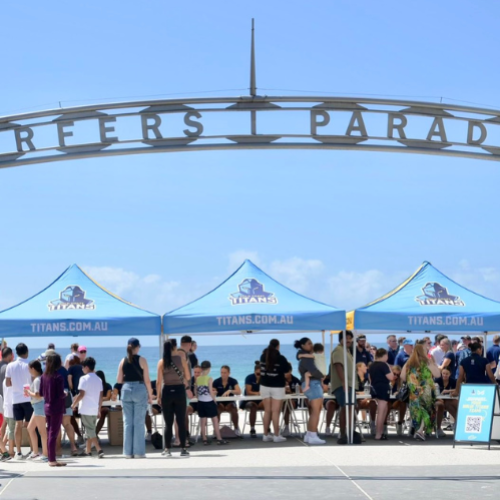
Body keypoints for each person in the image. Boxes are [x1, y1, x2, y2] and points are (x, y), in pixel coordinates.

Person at [117, 338, 153, 459]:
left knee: (127, 422)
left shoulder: (123, 360)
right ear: (138, 347)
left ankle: (127, 452)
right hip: (139, 388)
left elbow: (118, 380)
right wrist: (150, 394)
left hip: (126, 389)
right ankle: (139, 452)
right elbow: (147, 380)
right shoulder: (142, 359)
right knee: (138, 422)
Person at [156, 339, 190, 458]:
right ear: (175, 347)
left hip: (167, 392)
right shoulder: (182, 360)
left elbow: (159, 382)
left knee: (168, 423)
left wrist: (158, 396)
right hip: (180, 391)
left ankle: (167, 449)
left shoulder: (161, 362)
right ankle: (183, 448)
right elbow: (188, 376)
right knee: (181, 421)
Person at [401, 344, 441, 441]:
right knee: (426, 409)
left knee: (416, 411)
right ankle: (420, 431)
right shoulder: (427, 362)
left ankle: (419, 430)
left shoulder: (409, 363)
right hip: (426, 391)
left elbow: (402, 377)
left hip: (414, 391)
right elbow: (438, 374)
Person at [331, 331, 361, 445]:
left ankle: (349, 432)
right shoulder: (338, 350)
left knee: (350, 408)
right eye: (346, 338)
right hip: (343, 385)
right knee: (345, 408)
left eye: (350, 338)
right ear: (340, 339)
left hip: (350, 384)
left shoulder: (347, 351)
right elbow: (338, 366)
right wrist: (343, 382)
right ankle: (343, 434)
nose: (348, 340)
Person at [71, 357, 104, 458]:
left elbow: (81, 394)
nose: (82, 369)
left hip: (86, 408)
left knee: (89, 430)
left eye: (83, 367)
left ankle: (99, 449)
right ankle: (88, 450)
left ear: (86, 367)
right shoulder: (98, 379)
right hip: (94, 408)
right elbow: (100, 396)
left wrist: (73, 404)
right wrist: (99, 409)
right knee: (91, 430)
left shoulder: (83, 378)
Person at [295, 337, 325, 445]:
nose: (311, 345)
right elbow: (314, 371)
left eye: (311, 343)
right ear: (303, 346)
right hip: (313, 384)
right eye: (309, 343)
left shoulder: (305, 357)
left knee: (314, 410)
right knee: (316, 411)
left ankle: (309, 434)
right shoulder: (308, 358)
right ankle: (313, 434)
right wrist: (323, 376)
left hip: (310, 383)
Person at [6, 343, 33, 459]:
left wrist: (16, 385)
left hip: (15, 398)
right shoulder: (30, 365)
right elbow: (34, 381)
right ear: (26, 352)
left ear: (15, 353)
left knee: (18, 424)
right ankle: (33, 450)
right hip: (28, 398)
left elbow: (7, 383)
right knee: (31, 425)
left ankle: (18, 452)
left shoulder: (10, 366)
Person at [39, 354, 66, 467]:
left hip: (47, 407)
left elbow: (41, 393)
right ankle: (52, 459)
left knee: (50, 432)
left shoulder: (43, 376)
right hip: (57, 407)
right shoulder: (58, 377)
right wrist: (65, 394)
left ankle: (50, 457)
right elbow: (60, 394)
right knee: (53, 433)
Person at [260, 339, 289, 443]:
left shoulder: (263, 356)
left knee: (267, 411)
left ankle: (265, 435)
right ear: (278, 346)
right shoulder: (280, 358)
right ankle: (276, 435)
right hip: (277, 386)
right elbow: (287, 369)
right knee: (275, 411)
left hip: (264, 386)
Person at [195, 360, 229, 446]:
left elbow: (195, 391)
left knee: (203, 421)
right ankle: (219, 438)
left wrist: (199, 397)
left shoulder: (197, 379)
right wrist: (214, 399)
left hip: (200, 402)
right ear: (209, 369)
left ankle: (204, 439)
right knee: (215, 420)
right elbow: (210, 391)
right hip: (209, 402)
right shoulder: (209, 379)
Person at [368, 348, 394, 441]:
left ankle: (380, 432)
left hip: (374, 388)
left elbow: (370, 378)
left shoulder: (372, 365)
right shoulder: (383, 365)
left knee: (382, 410)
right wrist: (389, 368)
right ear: (384, 355)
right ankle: (378, 434)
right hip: (383, 388)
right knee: (381, 411)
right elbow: (391, 377)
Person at [26, 360, 48, 461]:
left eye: (29, 368)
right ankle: (35, 452)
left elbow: (38, 395)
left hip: (39, 405)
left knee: (42, 431)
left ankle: (45, 454)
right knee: (30, 428)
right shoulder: (39, 379)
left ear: (33, 369)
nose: (28, 370)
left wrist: (28, 392)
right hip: (37, 406)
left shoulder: (37, 380)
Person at [213, 366, 242, 436]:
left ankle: (236, 428)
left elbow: (239, 392)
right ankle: (216, 430)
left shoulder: (233, 381)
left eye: (225, 373)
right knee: (216, 410)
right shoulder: (216, 381)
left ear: (229, 373)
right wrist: (214, 392)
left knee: (234, 410)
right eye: (221, 372)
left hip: (230, 402)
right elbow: (212, 391)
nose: (223, 374)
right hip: (220, 403)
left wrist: (230, 391)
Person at [240, 361, 264, 438]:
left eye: (260, 374)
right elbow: (248, 392)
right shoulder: (249, 378)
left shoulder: (264, 378)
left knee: (268, 405)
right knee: (253, 406)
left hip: (261, 400)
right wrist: (258, 393)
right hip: (249, 400)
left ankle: (267, 427)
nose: (259, 376)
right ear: (254, 372)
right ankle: (252, 428)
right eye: (257, 374)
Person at [434, 366, 458, 436]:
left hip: (448, 400)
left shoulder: (453, 381)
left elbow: (458, 389)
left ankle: (457, 423)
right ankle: (438, 428)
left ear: (450, 374)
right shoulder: (437, 381)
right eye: (443, 373)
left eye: (447, 374)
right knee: (441, 405)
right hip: (438, 399)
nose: (445, 375)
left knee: (453, 404)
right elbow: (434, 392)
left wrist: (448, 391)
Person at [356, 362, 377, 435]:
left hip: (365, 399)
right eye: (364, 366)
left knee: (373, 403)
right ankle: (353, 425)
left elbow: (370, 390)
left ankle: (373, 423)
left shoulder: (367, 379)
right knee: (356, 404)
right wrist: (360, 393)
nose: (366, 368)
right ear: (359, 368)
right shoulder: (354, 378)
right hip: (357, 399)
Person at [68, 355, 84, 443]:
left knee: (71, 415)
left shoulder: (71, 368)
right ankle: (93, 435)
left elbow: (70, 382)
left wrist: (72, 391)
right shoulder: (83, 367)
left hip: (76, 395)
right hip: (85, 395)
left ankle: (79, 435)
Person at [283, 364, 302, 436]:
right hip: (281, 400)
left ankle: (286, 427)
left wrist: (290, 391)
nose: (285, 374)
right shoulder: (280, 380)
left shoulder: (295, 380)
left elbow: (301, 392)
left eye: (286, 372)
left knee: (287, 404)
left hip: (294, 401)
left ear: (290, 371)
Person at [388, 365, 406, 436]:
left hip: (397, 400)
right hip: (388, 399)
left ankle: (400, 423)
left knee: (403, 403)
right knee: (387, 404)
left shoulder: (400, 381)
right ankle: (384, 424)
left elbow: (403, 391)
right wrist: (391, 383)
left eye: (398, 375)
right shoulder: (388, 379)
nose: (396, 376)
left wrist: (398, 392)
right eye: (394, 374)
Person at [95, 370, 112, 435]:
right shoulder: (94, 387)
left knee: (103, 411)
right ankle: (92, 435)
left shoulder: (108, 386)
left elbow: (108, 397)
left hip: (105, 407)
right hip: (95, 407)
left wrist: (98, 399)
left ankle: (95, 434)